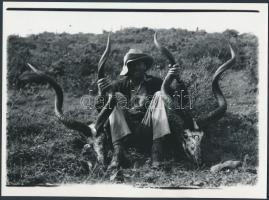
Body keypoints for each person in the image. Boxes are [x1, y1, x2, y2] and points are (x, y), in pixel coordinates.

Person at [97, 49, 183, 169]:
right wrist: (101, 93)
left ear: (145, 66)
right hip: (125, 132)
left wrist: (178, 79)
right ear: (128, 68)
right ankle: (118, 154)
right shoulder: (119, 85)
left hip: (149, 129)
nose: (137, 67)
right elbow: (101, 111)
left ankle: (156, 154)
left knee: (159, 94)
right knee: (115, 96)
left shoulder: (155, 82)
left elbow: (181, 100)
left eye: (140, 63)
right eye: (133, 64)